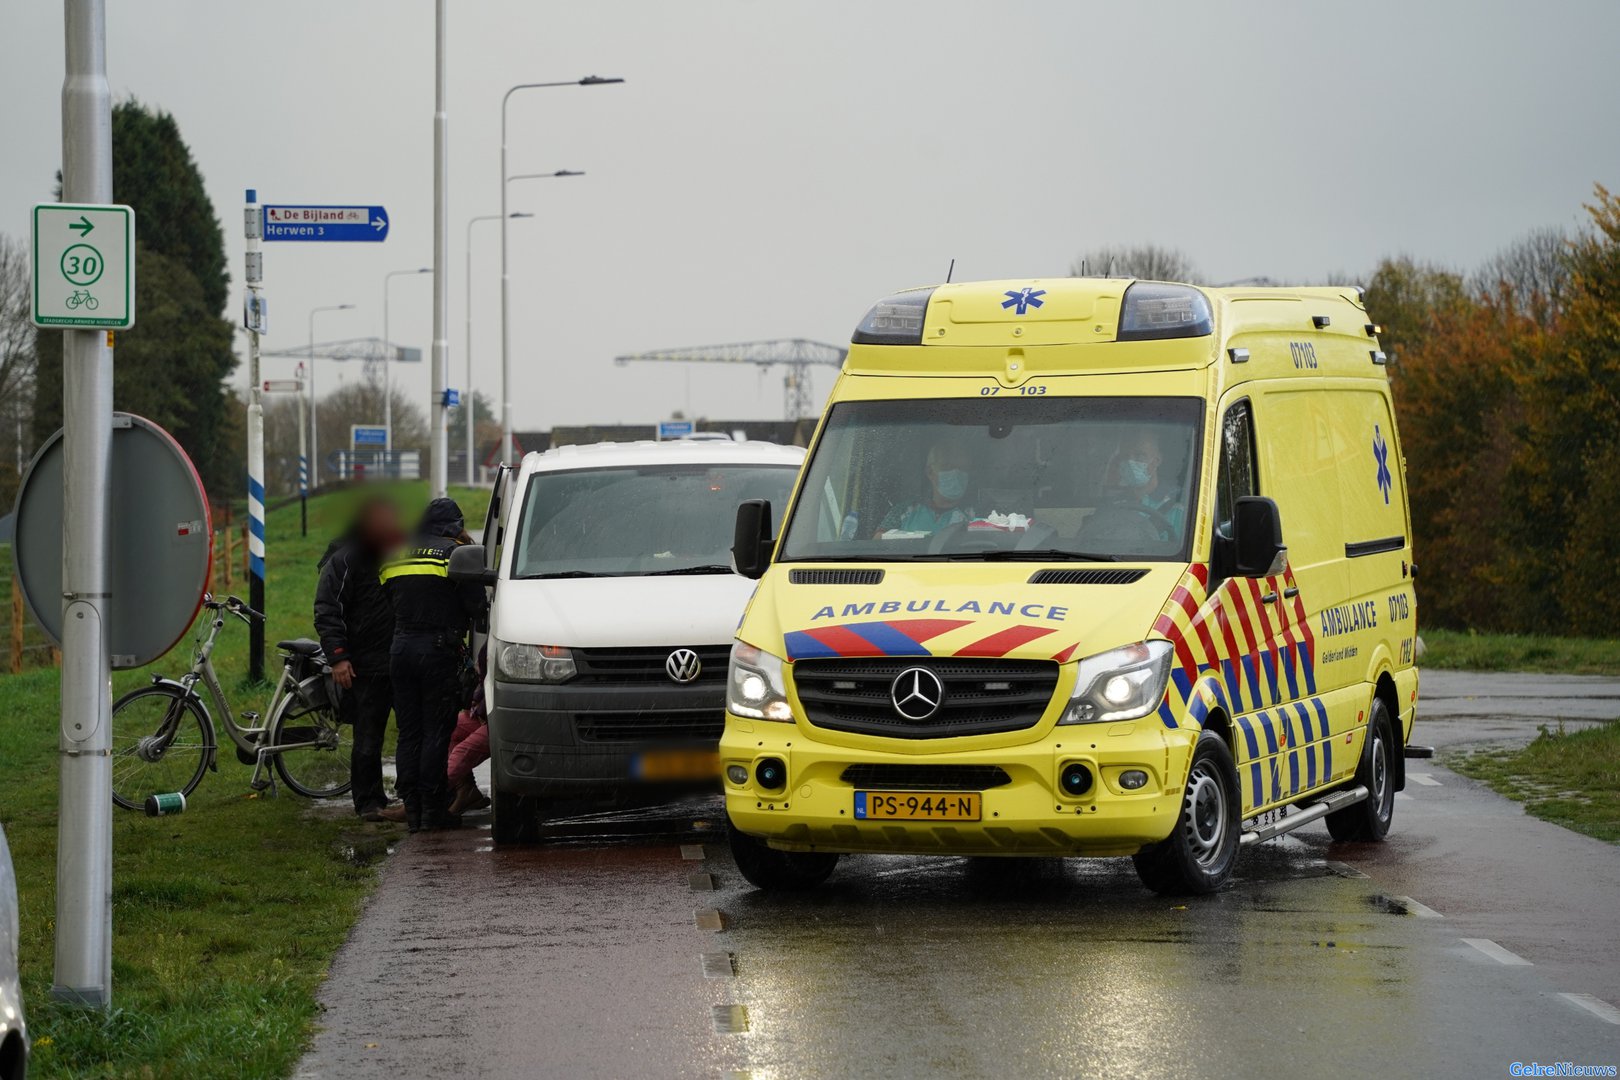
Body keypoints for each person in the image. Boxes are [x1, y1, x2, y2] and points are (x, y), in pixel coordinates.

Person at [380, 498, 485, 832]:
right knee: (436, 731)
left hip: (400, 650)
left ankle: (411, 808)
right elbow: (477, 607)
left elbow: (389, 601)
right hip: (438, 651)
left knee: (409, 731)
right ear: (455, 525)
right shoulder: (454, 554)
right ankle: (433, 809)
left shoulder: (395, 554)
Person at [313, 497, 402, 822]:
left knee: (413, 733)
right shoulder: (345, 559)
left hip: (402, 661)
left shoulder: (402, 553)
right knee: (367, 738)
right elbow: (327, 610)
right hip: (365, 665)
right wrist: (338, 658)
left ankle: (412, 797)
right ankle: (369, 803)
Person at [876, 442, 974, 536]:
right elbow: (879, 541)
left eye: (963, 468)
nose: (956, 473)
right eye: (947, 467)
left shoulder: (976, 514)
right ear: (930, 472)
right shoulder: (905, 511)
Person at [1102, 430, 1185, 540]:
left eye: (1139, 455)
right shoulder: (1112, 504)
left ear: (1156, 461)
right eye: (1125, 456)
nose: (1130, 462)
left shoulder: (1180, 504)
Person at [447, 646, 491, 815]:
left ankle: (427, 798)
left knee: (461, 752)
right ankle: (466, 790)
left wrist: (482, 710)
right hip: (483, 714)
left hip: (499, 719)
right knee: (448, 727)